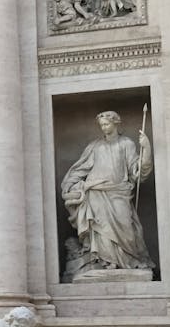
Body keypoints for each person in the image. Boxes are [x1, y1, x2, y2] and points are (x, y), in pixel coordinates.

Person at [60, 111, 154, 278]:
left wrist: (146, 149)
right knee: (100, 228)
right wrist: (69, 184)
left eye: (107, 124)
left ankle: (126, 261)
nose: (104, 127)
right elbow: (80, 168)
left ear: (116, 123)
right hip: (95, 192)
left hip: (119, 192)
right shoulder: (95, 146)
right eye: (101, 125)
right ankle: (104, 261)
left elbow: (137, 172)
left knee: (127, 229)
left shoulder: (126, 144)